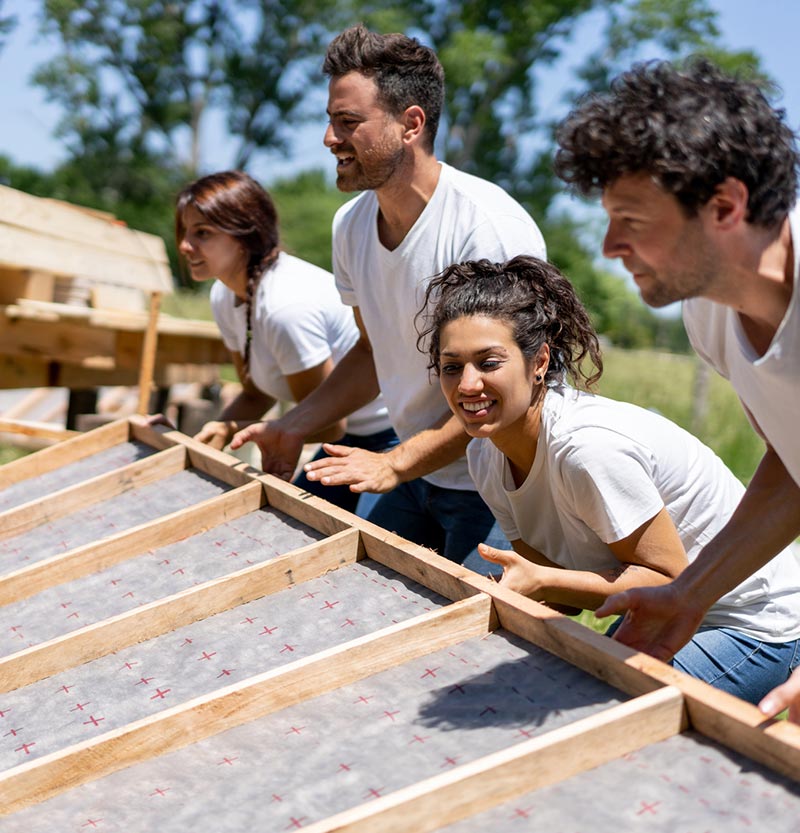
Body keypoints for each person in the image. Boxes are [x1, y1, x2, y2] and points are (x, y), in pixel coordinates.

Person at [230, 25, 546, 569]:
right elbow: (373, 351)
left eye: (348, 123)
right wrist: (292, 425)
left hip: (501, 482)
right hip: (417, 471)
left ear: (411, 124)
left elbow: (507, 392)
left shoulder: (485, 230)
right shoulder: (350, 226)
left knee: (471, 646)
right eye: (331, 121)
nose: (330, 139)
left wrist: (396, 463)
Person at [418, 255, 800, 704]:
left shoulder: (587, 449)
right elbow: (561, 589)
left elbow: (666, 580)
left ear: (539, 361)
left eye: (488, 362)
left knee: (602, 714)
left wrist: (537, 584)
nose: (467, 384)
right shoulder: (485, 456)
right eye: (451, 366)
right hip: (664, 611)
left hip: (753, 622)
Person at [554, 58, 800, 719]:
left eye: (631, 220)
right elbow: (794, 465)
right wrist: (692, 590)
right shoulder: (710, 311)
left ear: (725, 205)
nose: (608, 246)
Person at [175, 170, 397, 514]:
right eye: (185, 232)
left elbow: (327, 423)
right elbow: (254, 393)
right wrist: (212, 434)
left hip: (386, 438)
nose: (185, 246)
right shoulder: (224, 295)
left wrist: (238, 430)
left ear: (245, 234)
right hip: (340, 438)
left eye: (202, 233)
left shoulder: (285, 307)